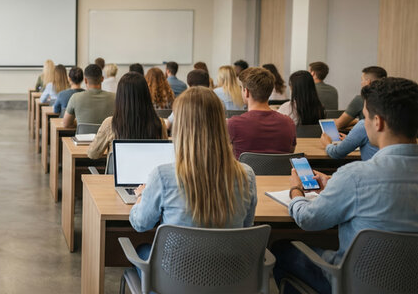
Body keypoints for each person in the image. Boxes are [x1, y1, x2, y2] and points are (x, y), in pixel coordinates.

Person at [273, 77, 418, 294]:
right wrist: (334, 184)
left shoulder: (355, 177)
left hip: (353, 283)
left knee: (281, 249)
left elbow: (308, 219)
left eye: (365, 117)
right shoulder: (352, 179)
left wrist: (296, 190)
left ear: (378, 122)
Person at [129, 87, 257, 266]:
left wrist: (142, 196)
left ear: (180, 126)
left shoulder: (163, 176)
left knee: (142, 249)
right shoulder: (247, 175)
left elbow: (141, 224)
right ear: (221, 123)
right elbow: (246, 226)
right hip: (230, 279)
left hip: (175, 281)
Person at [87, 72, 167, 159]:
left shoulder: (110, 124)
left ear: (120, 97)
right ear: (146, 95)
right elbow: (164, 155)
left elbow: (93, 154)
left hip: (117, 173)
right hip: (150, 173)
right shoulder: (159, 123)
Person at [227, 67, 296, 158]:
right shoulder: (288, 122)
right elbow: (290, 153)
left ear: (246, 92)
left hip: (244, 172)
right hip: (279, 172)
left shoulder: (233, 124)